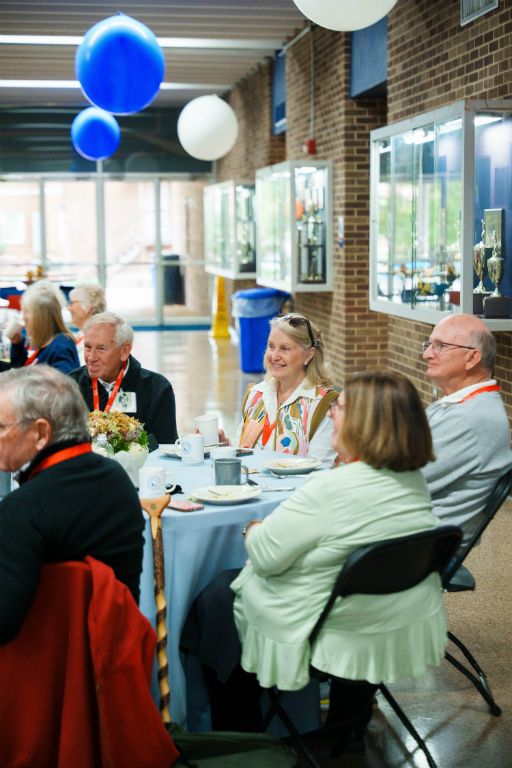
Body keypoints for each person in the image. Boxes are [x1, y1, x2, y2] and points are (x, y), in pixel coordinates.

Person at [182, 371, 447, 743]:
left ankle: (238, 736)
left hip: (327, 619)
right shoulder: (413, 481)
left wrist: (252, 528)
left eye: (340, 408)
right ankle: (342, 724)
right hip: (390, 612)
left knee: (215, 598)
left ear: (365, 423)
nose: (332, 413)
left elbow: (266, 556)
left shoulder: (331, 487)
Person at [0, 365, 145, 645]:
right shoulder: (117, 479)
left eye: (1, 427)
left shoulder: (26, 509)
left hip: (48, 661)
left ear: (41, 433)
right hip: (115, 652)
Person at [422, 313, 512, 545]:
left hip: (415, 545)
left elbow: (401, 478)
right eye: (429, 345)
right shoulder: (457, 405)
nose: (427, 354)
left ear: (472, 358)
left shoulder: (469, 419)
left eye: (440, 346)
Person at [224, 313, 338, 462]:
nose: (274, 356)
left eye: (285, 348)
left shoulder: (323, 405)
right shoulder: (256, 394)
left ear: (309, 355)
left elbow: (319, 468)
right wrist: (225, 446)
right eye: (271, 346)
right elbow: (240, 451)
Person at [69, 311, 178, 447]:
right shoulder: (70, 386)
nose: (91, 357)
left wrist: (130, 439)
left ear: (124, 351)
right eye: (88, 347)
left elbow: (166, 445)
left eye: (101, 349)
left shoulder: (157, 388)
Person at [6, 281, 79, 373]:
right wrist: (17, 344)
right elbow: (22, 372)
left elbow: (64, 380)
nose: (23, 318)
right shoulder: (47, 343)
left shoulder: (61, 346)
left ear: (40, 316)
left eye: (26, 311)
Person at [68, 282, 107, 363]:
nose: (69, 308)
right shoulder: (81, 334)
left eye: (72, 303)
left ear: (88, 307)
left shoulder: (96, 340)